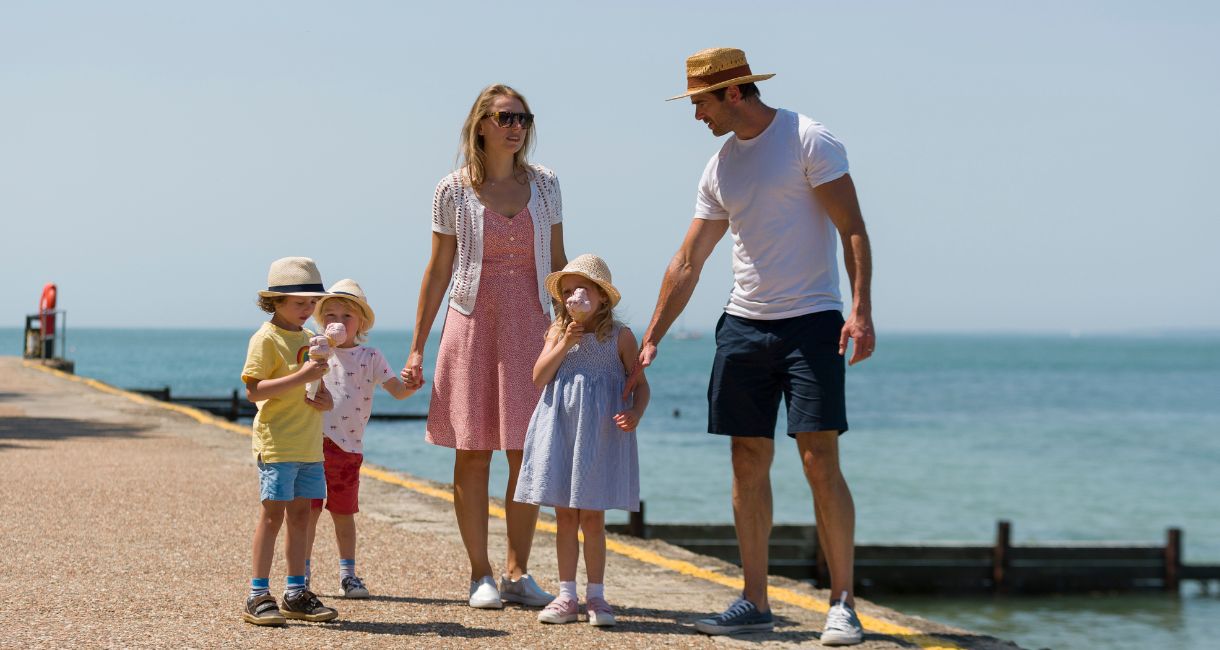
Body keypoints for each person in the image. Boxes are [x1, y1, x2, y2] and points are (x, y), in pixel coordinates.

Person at [631, 48, 875, 645]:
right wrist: (652, 336)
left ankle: (842, 603)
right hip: (743, 324)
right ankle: (755, 600)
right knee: (746, 458)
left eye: (700, 103)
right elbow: (689, 260)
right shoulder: (719, 167)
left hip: (812, 320)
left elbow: (852, 228)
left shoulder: (808, 139)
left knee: (820, 460)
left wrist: (862, 310)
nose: (696, 116)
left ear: (733, 93)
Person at [401, 84, 567, 609]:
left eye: (522, 117)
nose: (515, 126)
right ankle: (481, 574)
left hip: (534, 323)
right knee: (473, 452)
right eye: (504, 117)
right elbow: (438, 270)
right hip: (471, 322)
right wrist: (416, 348)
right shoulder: (451, 190)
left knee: (526, 451)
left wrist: (569, 331)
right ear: (481, 125)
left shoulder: (547, 185)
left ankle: (519, 572)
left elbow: (559, 263)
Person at [514, 254, 649, 627]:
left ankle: (598, 596)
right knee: (564, 515)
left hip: (599, 433)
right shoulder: (557, 331)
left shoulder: (620, 336)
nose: (575, 296)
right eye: (569, 290)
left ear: (602, 297)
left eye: (583, 289)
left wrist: (635, 413)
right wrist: (565, 341)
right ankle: (566, 594)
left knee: (592, 517)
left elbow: (640, 387)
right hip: (560, 428)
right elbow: (539, 377)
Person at [240, 256, 339, 626]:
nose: (308, 309)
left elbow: (318, 389)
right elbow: (254, 390)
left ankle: (296, 591)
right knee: (272, 515)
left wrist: (325, 397)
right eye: (300, 303)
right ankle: (257, 593)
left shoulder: (309, 339)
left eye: (312, 303)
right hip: (278, 442)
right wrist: (303, 376)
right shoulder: (266, 339)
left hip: (308, 444)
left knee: (302, 516)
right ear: (275, 302)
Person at [303, 279, 415, 599]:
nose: (337, 322)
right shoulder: (315, 349)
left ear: (362, 323)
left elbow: (396, 390)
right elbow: (303, 387)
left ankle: (348, 574)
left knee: (343, 513)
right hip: (312, 441)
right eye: (330, 315)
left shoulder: (370, 356)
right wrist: (316, 356)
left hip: (348, 447)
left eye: (346, 316)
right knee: (308, 511)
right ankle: (303, 573)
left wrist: (412, 385)